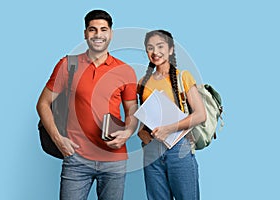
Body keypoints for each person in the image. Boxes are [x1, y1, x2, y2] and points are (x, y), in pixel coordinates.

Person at [36, 9, 138, 200]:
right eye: (93, 29)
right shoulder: (68, 65)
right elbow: (42, 104)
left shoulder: (125, 71)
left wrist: (128, 131)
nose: (98, 35)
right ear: (85, 33)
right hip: (76, 159)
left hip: (114, 160)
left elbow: (132, 109)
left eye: (103, 29)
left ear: (111, 34)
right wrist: (59, 140)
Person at [137, 30, 206, 200]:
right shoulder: (142, 82)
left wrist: (169, 129)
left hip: (179, 149)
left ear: (171, 49)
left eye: (160, 46)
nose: (155, 52)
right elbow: (143, 121)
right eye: (150, 48)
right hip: (152, 151)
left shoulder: (183, 76)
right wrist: (143, 135)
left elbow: (200, 115)